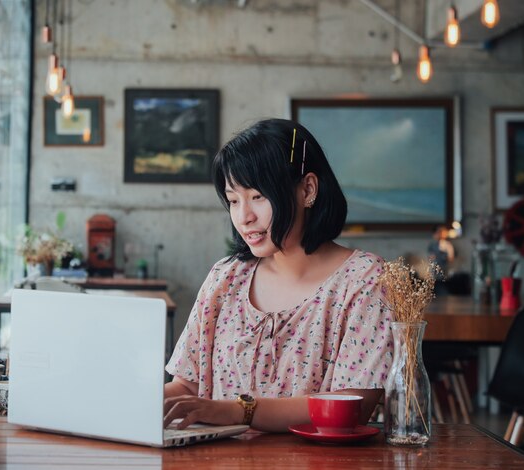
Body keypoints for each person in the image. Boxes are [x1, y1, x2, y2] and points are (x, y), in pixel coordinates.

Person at [163, 118, 393, 433]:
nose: (244, 217)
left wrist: (237, 412)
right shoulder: (225, 278)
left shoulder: (364, 280)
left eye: (258, 196)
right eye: (233, 200)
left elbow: (352, 405)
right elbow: (187, 389)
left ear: (308, 190)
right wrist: (127, 398)